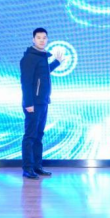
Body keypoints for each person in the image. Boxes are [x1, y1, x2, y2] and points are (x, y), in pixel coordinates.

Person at [19, 28, 64, 180]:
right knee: (30, 136)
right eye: (39, 38)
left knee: (39, 135)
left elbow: (43, 73)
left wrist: (56, 62)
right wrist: (28, 103)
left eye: (44, 38)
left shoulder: (42, 56)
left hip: (43, 102)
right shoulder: (29, 58)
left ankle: (37, 166)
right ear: (33, 39)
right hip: (33, 104)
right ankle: (27, 168)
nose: (42, 40)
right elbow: (26, 82)